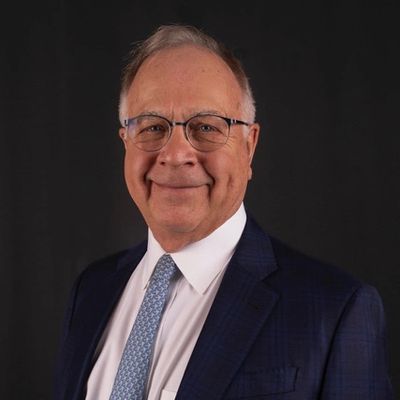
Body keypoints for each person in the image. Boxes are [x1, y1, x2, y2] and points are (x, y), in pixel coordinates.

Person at [54, 25, 394, 400]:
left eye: (206, 127)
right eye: (152, 127)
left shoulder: (335, 311)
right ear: (126, 142)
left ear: (249, 146)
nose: (175, 154)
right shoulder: (93, 290)